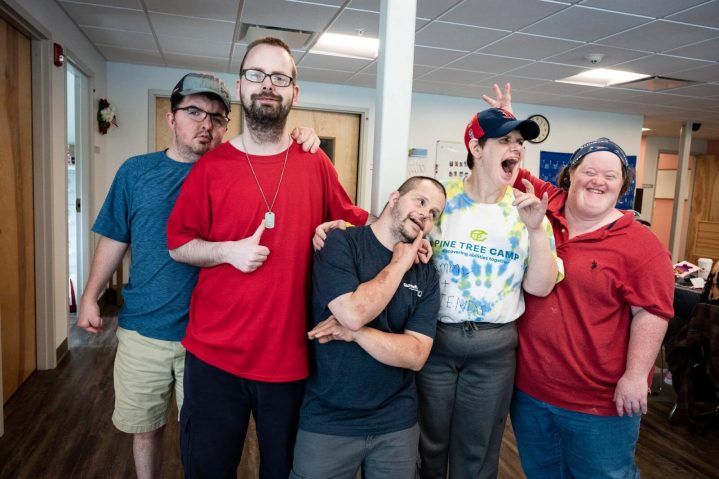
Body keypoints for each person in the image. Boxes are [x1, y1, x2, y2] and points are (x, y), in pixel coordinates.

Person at [77, 71, 318, 479]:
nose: (205, 123)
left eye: (217, 116)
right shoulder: (136, 172)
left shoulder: (238, 170)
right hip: (146, 329)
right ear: (171, 119)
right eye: (193, 111)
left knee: (214, 445)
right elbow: (115, 238)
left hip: (211, 344)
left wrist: (298, 137)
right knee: (146, 431)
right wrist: (89, 295)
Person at [165, 37, 370, 479]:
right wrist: (226, 251)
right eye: (257, 75)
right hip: (214, 358)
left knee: (283, 472)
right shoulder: (211, 167)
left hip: (290, 361)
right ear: (241, 86)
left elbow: (358, 226)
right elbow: (178, 244)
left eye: (280, 77)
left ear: (295, 92)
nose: (268, 85)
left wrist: (411, 232)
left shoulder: (315, 164)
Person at [509, 136, 674, 477]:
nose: (598, 181)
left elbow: (653, 312)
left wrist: (634, 375)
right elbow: (507, 167)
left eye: (611, 176)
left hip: (599, 403)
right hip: (531, 394)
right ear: (570, 175)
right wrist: (505, 126)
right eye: (590, 171)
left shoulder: (642, 244)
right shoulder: (545, 207)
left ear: (622, 186)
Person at [417, 103, 562, 478]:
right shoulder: (439, 199)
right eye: (505, 140)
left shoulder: (527, 210)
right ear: (476, 148)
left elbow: (540, 286)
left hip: (493, 352)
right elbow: (393, 239)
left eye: (520, 143)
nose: (516, 148)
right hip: (434, 345)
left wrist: (534, 228)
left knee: (478, 451)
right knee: (427, 445)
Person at [290, 176, 446, 479]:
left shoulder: (426, 271)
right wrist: (399, 264)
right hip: (328, 419)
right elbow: (352, 312)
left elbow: (415, 354)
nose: (426, 215)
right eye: (421, 201)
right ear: (394, 198)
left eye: (434, 214)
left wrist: (356, 333)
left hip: (395, 423)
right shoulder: (340, 242)